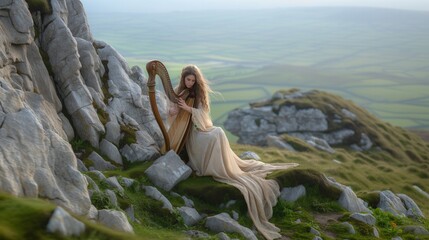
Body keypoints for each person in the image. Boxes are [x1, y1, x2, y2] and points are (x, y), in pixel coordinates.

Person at [169, 65, 299, 240]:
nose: (190, 83)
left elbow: (204, 116)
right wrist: (175, 109)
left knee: (219, 132)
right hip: (191, 135)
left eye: (193, 80)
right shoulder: (179, 92)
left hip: (200, 129)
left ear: (196, 80)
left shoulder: (199, 94)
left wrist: (189, 109)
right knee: (216, 135)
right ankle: (210, 166)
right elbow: (173, 111)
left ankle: (222, 166)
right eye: (188, 79)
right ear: (183, 78)